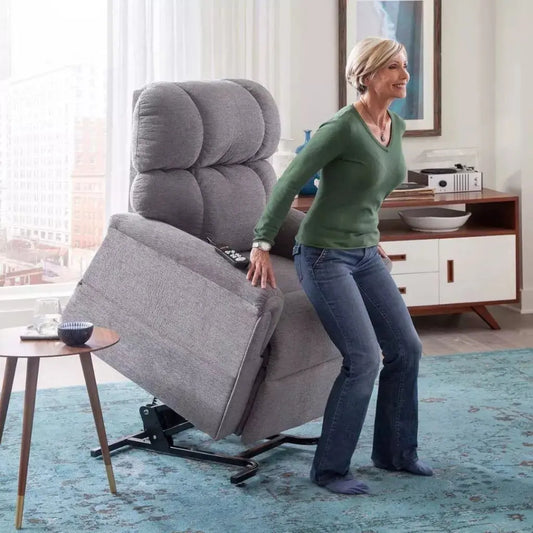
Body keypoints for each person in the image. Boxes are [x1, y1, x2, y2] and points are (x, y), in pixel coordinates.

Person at [247, 37, 433, 496]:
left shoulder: (397, 125)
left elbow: (368, 193)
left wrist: (374, 237)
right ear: (367, 75)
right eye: (393, 67)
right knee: (363, 358)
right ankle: (330, 469)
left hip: (365, 253)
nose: (404, 75)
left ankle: (395, 453)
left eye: (405, 66)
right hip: (325, 256)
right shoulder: (340, 128)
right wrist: (262, 241)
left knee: (407, 349)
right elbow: (289, 180)